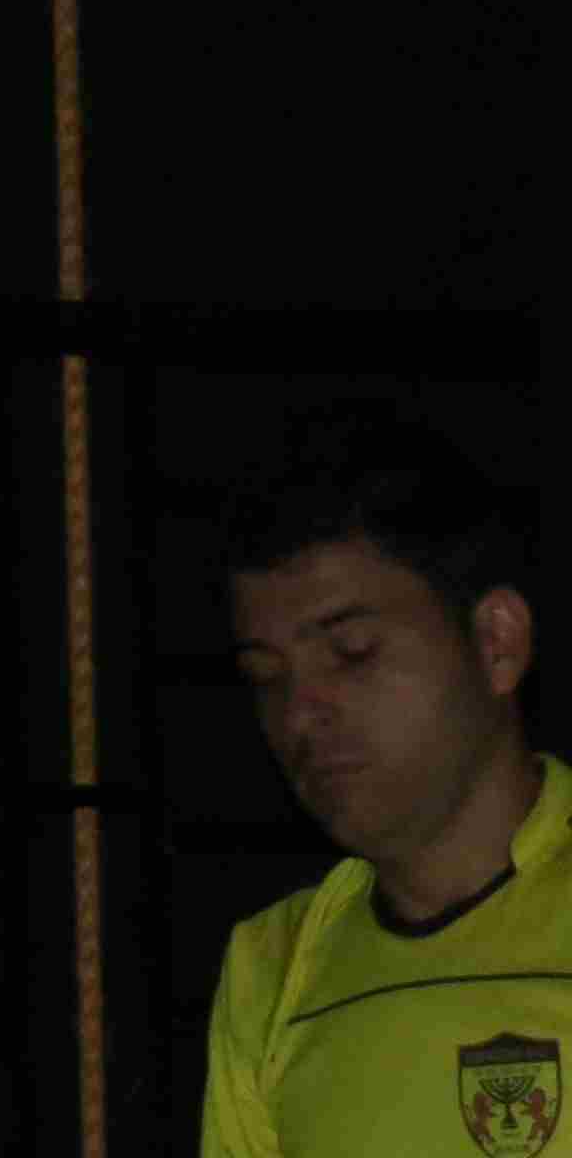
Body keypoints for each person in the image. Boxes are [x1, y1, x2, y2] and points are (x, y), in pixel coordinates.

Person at [203, 405, 564, 1157]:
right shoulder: (273, 968)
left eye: (353, 652)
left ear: (496, 643)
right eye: (266, 676)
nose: (299, 713)